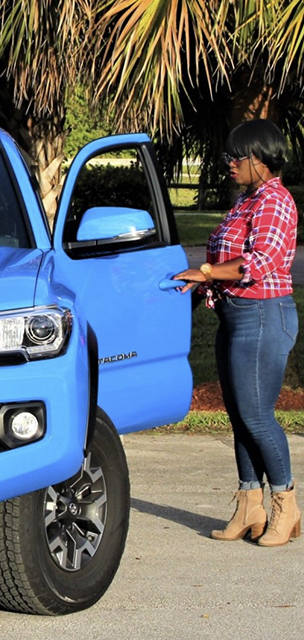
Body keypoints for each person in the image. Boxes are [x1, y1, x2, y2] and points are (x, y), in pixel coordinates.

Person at [174, 118, 300, 546]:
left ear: (260, 159)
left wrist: (208, 272)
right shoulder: (247, 200)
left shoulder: (275, 201)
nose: (229, 162)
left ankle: (286, 504)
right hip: (235, 316)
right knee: (240, 415)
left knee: (258, 416)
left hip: (263, 315)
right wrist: (199, 282)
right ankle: (250, 506)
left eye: (237, 156)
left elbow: (260, 262)